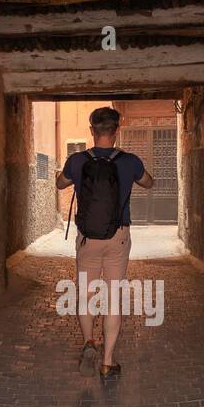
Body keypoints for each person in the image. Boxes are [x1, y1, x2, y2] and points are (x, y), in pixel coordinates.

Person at [56, 106, 154, 380]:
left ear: (92, 131)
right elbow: (148, 183)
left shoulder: (77, 161)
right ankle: (108, 363)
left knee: (86, 295)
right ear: (116, 131)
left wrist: (71, 175)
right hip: (118, 238)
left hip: (88, 238)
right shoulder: (129, 161)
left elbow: (60, 184)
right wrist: (136, 176)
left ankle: (89, 343)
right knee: (113, 299)